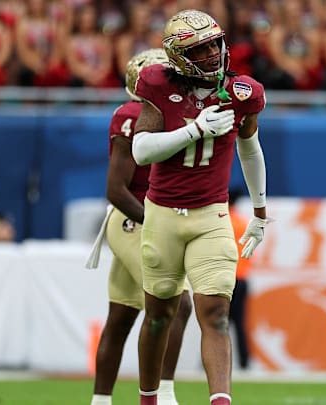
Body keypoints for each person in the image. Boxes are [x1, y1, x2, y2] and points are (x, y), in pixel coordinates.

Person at [130, 9, 269, 405]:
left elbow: (251, 150)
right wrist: (194, 129)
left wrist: (260, 212)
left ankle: (221, 400)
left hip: (211, 214)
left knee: (215, 314)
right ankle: (149, 398)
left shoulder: (244, 92)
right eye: (200, 48)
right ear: (177, 56)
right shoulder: (157, 84)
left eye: (214, 43)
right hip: (163, 213)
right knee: (159, 315)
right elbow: (141, 151)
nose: (211, 53)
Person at [87, 48, 193, 405]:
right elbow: (116, 190)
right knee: (176, 303)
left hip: (150, 217)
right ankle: (164, 394)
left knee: (121, 315)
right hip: (133, 217)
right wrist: (159, 220)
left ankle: (100, 401)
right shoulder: (132, 115)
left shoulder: (172, 114)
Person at [227, 187, 252, 370]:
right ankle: (244, 362)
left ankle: (209, 362)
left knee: (216, 323)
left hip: (225, 277)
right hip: (242, 278)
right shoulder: (242, 223)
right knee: (240, 323)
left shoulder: (221, 222)